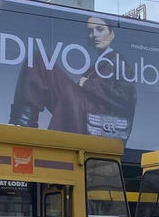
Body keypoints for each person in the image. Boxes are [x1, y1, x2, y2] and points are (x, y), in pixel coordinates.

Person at [9, 15, 137, 139]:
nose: (94, 35)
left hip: (97, 123)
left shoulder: (118, 61)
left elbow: (127, 98)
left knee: (44, 65)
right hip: (82, 112)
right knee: (38, 60)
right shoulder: (100, 63)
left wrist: (87, 84)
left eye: (100, 29)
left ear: (112, 34)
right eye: (90, 31)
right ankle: (23, 126)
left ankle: (25, 132)